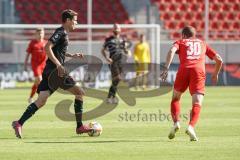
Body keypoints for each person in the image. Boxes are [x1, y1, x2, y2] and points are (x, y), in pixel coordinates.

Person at [12, 9, 92, 139]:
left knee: (41, 100)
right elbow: (47, 47)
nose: (76, 23)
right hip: (56, 71)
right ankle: (80, 126)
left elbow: (55, 49)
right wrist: (59, 65)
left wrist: (71, 55)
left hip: (48, 71)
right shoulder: (61, 32)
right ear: (67, 20)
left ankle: (19, 123)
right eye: (75, 21)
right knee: (80, 93)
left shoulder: (63, 33)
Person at [160, 26, 223, 141]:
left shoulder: (181, 41)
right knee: (197, 102)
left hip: (184, 70)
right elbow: (219, 59)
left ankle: (176, 123)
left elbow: (172, 50)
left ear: (183, 35)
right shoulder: (203, 43)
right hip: (198, 72)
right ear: (194, 35)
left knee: (175, 98)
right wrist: (215, 74)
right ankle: (191, 127)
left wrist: (166, 68)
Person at [101, 23, 131, 104]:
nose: (116, 30)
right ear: (113, 30)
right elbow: (103, 50)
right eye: (115, 28)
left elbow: (127, 52)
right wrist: (107, 58)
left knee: (116, 81)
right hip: (113, 61)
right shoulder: (108, 40)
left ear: (120, 30)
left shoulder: (123, 40)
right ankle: (110, 97)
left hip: (121, 62)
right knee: (117, 79)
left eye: (117, 28)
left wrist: (127, 55)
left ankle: (111, 97)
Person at [24, 28, 47, 103]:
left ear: (43, 34)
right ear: (36, 35)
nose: (40, 35)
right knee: (40, 79)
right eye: (39, 33)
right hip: (35, 64)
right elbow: (28, 54)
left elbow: (50, 54)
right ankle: (40, 97)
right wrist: (25, 64)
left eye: (41, 33)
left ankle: (30, 97)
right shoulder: (32, 43)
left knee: (37, 82)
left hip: (43, 64)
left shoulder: (46, 43)